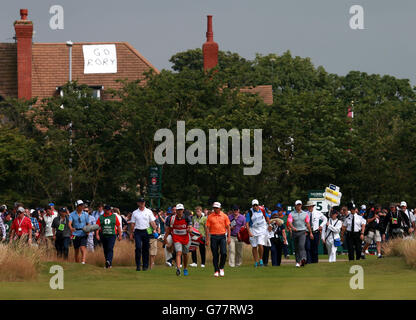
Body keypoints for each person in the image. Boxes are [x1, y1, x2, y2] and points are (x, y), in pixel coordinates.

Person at [163, 203, 192, 276]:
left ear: (183, 210)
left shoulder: (187, 217)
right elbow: (168, 230)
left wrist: (189, 229)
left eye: (181, 210)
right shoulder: (171, 218)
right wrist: (165, 238)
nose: (179, 211)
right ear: (176, 211)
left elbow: (190, 227)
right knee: (178, 253)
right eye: (178, 210)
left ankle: (185, 268)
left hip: (185, 238)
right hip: (177, 238)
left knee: (185, 254)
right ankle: (178, 269)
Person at [130, 198, 157, 271]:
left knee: (146, 249)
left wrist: (155, 229)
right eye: (140, 202)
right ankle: (138, 265)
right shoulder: (135, 212)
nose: (142, 203)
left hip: (146, 231)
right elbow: (132, 223)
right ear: (138, 203)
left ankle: (145, 266)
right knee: (138, 248)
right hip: (138, 231)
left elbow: (152, 222)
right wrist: (131, 233)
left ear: (144, 203)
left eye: (143, 202)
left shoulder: (148, 211)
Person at [206, 202, 231, 277]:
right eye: (214, 208)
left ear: (220, 208)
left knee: (223, 253)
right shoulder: (210, 216)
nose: (215, 209)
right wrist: (207, 239)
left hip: (222, 236)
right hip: (213, 236)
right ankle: (216, 270)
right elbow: (207, 228)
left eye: (217, 208)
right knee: (215, 254)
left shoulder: (224, 216)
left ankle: (221, 267)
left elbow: (228, 227)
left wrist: (229, 237)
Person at [245, 199, 271, 267]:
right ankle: (256, 261)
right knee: (254, 246)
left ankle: (261, 259)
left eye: (256, 205)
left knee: (260, 244)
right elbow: (247, 224)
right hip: (253, 229)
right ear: (252, 206)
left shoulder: (262, 210)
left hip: (262, 229)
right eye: (254, 205)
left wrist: (269, 224)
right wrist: (249, 232)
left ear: (258, 205)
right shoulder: (249, 212)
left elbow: (267, 217)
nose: (255, 206)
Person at [287, 200, 313, 267]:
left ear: (301, 205)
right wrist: (292, 227)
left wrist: (310, 233)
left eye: (300, 205)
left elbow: (308, 224)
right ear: (295, 205)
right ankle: (298, 262)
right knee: (296, 248)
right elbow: (289, 222)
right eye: (297, 205)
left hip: (302, 231)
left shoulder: (305, 214)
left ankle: (303, 259)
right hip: (295, 232)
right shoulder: (291, 214)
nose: (299, 206)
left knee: (301, 246)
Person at [68, 200, 90, 264]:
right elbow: (69, 223)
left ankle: (83, 261)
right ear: (77, 206)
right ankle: (77, 263)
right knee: (76, 250)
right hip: (75, 234)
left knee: (82, 248)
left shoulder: (86, 214)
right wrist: (71, 228)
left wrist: (88, 230)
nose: (82, 207)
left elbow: (88, 223)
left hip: (83, 233)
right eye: (80, 205)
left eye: (82, 205)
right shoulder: (72, 214)